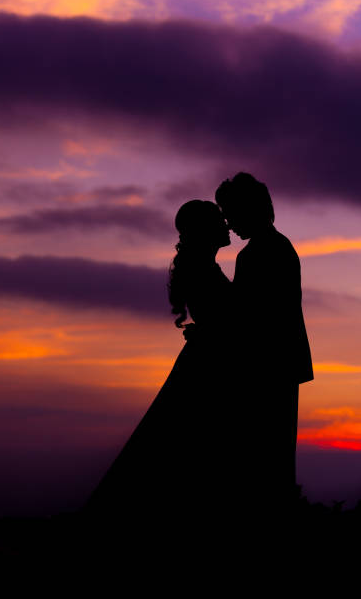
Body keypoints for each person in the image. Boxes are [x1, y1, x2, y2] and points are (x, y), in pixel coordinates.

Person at [83, 200, 233, 533]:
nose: (227, 224)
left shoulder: (201, 265)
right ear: (205, 230)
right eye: (218, 220)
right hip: (209, 368)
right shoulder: (203, 269)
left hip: (205, 361)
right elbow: (225, 320)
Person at [215, 172, 314, 516]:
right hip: (278, 366)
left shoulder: (262, 252)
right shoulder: (273, 247)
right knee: (272, 458)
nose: (229, 222)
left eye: (231, 212)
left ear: (252, 209)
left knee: (265, 459)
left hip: (267, 369)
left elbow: (249, 316)